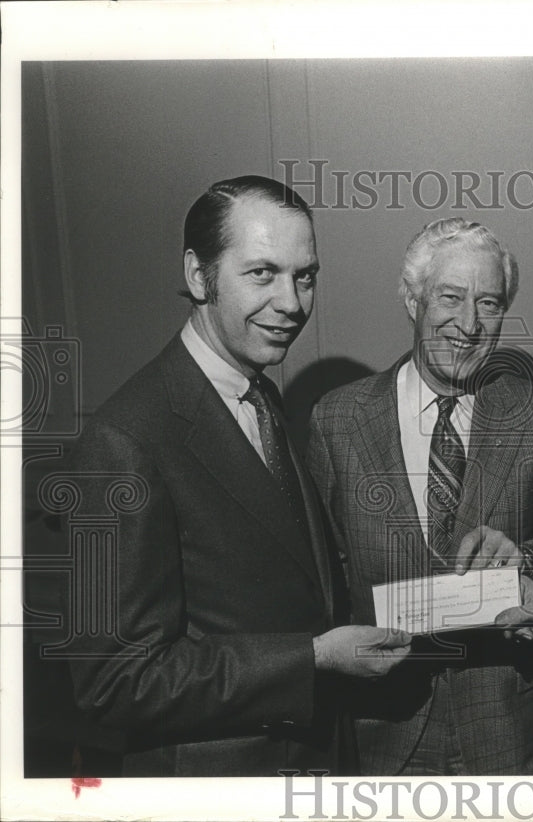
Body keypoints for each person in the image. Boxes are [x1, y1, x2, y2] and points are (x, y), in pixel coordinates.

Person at [66, 175, 410, 777]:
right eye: (262, 273)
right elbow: (115, 682)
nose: (292, 303)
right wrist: (311, 658)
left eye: (305, 276)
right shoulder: (124, 438)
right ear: (199, 276)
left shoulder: (259, 396)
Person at [307, 218, 533, 775]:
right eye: (450, 297)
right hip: (381, 728)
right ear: (413, 300)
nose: (469, 324)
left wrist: (524, 561)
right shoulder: (338, 420)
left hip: (509, 730)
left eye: (489, 303)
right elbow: (321, 573)